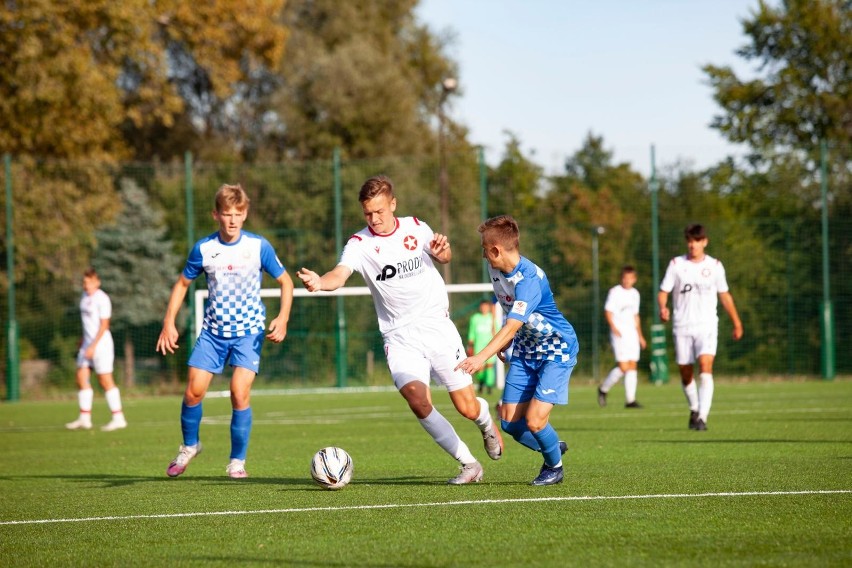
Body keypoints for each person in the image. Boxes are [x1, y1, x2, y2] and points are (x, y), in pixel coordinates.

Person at [296, 175, 503, 485]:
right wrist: (320, 282)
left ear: (392, 204)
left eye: (379, 211)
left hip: (437, 328)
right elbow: (339, 274)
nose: (374, 219)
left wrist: (443, 251)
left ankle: (485, 422)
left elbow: (444, 256)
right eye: (368, 213)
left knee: (466, 406)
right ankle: (469, 464)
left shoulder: (416, 228)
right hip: (398, 337)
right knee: (418, 400)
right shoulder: (359, 244)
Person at [156, 183, 294, 478]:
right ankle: (190, 446)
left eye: (238, 213)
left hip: (249, 332)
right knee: (193, 392)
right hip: (213, 333)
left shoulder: (258, 247)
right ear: (215, 215)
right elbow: (182, 284)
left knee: (238, 392)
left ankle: (237, 462)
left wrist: (282, 318)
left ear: (245, 215)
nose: (232, 219)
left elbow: (286, 282)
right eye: (227, 213)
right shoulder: (204, 249)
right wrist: (169, 323)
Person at [456, 215, 579, 486]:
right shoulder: (496, 270)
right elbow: (509, 311)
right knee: (510, 423)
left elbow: (512, 325)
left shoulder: (529, 280)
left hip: (555, 350)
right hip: (526, 349)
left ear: (496, 250)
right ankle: (551, 446)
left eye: (485, 250)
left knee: (535, 421)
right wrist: (510, 342)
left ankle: (554, 467)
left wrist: (481, 357)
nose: (484, 256)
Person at [658, 223, 743, 431]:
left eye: (696, 241)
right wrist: (663, 307)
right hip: (682, 325)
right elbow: (663, 291)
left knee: (706, 368)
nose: (692, 245)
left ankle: (703, 417)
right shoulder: (676, 264)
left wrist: (737, 322)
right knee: (686, 373)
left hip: (707, 325)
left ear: (704, 242)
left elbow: (724, 295)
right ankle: (694, 408)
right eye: (689, 241)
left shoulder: (715, 266)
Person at [66, 267, 128, 432]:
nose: (86, 285)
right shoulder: (84, 297)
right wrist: (83, 340)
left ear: (97, 282)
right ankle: (84, 418)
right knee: (81, 376)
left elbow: (104, 325)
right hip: (87, 343)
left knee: (105, 380)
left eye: (90, 282)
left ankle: (118, 417)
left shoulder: (102, 299)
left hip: (101, 345)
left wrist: (93, 346)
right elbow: (88, 324)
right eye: (84, 282)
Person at [597, 265, 647, 409]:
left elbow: (635, 316)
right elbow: (608, 311)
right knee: (623, 366)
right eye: (625, 278)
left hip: (632, 334)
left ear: (634, 279)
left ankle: (630, 400)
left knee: (632, 366)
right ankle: (603, 389)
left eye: (630, 278)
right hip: (619, 333)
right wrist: (613, 328)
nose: (627, 281)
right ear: (621, 278)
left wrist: (640, 336)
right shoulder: (615, 292)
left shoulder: (635, 294)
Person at [467, 299, 498, 395]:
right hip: (478, 346)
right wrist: (470, 345)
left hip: (490, 346)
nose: (484, 308)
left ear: (489, 308)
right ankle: (481, 384)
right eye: (482, 306)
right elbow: (471, 332)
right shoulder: (475, 318)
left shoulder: (492, 318)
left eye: (486, 307)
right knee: (479, 367)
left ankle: (489, 387)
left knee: (489, 367)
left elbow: (497, 331)